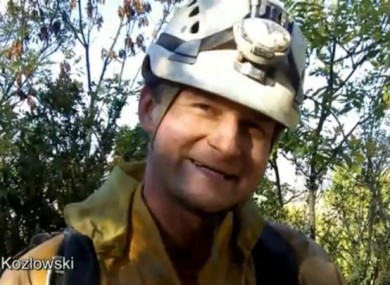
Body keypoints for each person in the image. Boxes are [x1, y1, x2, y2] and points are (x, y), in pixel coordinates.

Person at [0, 0, 346, 284]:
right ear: (149, 109)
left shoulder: (298, 270)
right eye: (204, 108)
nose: (226, 145)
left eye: (254, 127)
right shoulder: (46, 274)